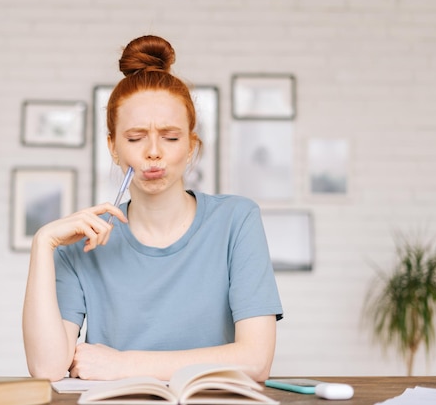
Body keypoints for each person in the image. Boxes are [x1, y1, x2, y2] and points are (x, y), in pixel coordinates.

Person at [22, 35, 283, 383]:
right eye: (135, 138)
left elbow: (255, 362)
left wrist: (123, 365)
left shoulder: (237, 221)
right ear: (113, 147)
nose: (154, 152)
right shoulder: (82, 244)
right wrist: (43, 243)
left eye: (171, 137)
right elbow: (46, 369)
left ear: (191, 146)